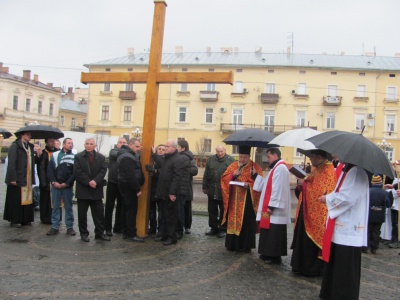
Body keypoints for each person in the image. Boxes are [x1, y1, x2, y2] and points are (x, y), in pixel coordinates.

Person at [318, 163, 369, 300]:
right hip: (341, 228)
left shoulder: (357, 172)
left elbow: (347, 198)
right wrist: (330, 197)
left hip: (348, 230)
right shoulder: (348, 170)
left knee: (344, 271)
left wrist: (327, 199)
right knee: (336, 268)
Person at [290, 150, 337, 275]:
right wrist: (303, 182)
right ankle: (299, 265)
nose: (310, 159)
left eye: (312, 156)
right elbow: (311, 183)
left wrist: (304, 183)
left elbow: (320, 191)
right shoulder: (319, 168)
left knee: (310, 242)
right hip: (306, 210)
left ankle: (310, 268)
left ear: (319, 157)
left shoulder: (327, 170)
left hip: (317, 213)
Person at [221, 146, 262, 253]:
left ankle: (245, 245)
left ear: (249, 156)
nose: (242, 159)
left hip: (247, 201)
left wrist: (248, 185)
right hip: (234, 200)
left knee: (246, 223)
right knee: (233, 221)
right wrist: (233, 175)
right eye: (240, 157)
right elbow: (224, 178)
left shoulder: (255, 167)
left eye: (244, 157)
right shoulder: (233, 165)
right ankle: (232, 244)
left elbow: (261, 184)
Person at [256, 148, 291, 264]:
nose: (267, 159)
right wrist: (254, 176)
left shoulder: (280, 168)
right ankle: (266, 252)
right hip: (270, 206)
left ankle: (274, 256)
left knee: (274, 232)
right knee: (267, 230)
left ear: (275, 155)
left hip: (274, 209)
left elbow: (278, 188)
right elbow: (267, 185)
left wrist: (272, 206)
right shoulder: (275, 168)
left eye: (269, 156)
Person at [74, 138, 109, 242]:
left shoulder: (101, 157)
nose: (89, 146)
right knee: (82, 214)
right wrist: (89, 182)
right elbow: (77, 172)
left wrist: (96, 181)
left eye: (91, 144)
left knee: (99, 214)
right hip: (83, 190)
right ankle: (84, 234)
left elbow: (103, 170)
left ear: (95, 146)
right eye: (87, 144)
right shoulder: (78, 157)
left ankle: (99, 233)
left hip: (96, 190)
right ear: (85, 145)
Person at [153, 139, 182, 246]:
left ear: (174, 148)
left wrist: (172, 193)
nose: (165, 148)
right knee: (164, 215)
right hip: (163, 192)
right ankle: (164, 234)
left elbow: (177, 178)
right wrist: (154, 154)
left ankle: (171, 237)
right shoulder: (167, 157)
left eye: (167, 146)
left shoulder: (177, 159)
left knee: (170, 216)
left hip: (170, 193)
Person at [4, 131, 35, 227]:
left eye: (30, 134)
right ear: (22, 135)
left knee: (27, 199)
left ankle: (25, 219)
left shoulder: (30, 146)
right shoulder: (15, 146)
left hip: (27, 178)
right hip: (17, 177)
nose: (30, 136)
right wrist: (13, 177)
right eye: (28, 134)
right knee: (16, 200)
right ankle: (15, 220)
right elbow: (12, 163)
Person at [46, 138, 76, 236]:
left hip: (67, 186)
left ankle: (69, 227)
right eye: (68, 143)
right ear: (63, 144)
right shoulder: (55, 155)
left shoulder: (74, 156)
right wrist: (54, 182)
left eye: (71, 143)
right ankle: (55, 226)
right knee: (55, 207)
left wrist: (67, 183)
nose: (70, 145)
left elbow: (75, 172)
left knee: (68, 207)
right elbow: (50, 170)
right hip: (56, 185)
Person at [203, 145, 235, 238]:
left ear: (225, 151)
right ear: (216, 151)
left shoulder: (230, 160)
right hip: (212, 189)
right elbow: (206, 173)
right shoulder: (211, 159)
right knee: (212, 210)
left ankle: (222, 229)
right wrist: (204, 187)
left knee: (223, 211)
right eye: (218, 151)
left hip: (224, 191)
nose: (220, 153)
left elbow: (233, 175)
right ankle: (213, 228)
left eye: (221, 151)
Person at [117, 138, 145, 242]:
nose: (138, 149)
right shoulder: (127, 157)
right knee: (131, 210)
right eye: (137, 146)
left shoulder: (126, 154)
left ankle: (126, 231)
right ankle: (131, 233)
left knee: (126, 208)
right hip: (128, 186)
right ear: (131, 145)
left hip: (125, 185)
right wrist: (137, 189)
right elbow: (130, 175)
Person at [104, 137, 127, 236]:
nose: (121, 144)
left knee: (121, 206)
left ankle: (118, 227)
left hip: (122, 183)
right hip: (113, 182)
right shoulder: (113, 151)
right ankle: (107, 228)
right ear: (117, 144)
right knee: (109, 206)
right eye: (120, 142)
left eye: (124, 142)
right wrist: (127, 151)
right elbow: (117, 154)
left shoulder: (125, 153)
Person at [363, 175, 391, 254]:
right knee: (376, 231)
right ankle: (374, 247)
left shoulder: (368, 191)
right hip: (380, 214)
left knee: (368, 230)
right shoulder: (385, 193)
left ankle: (365, 247)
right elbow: (388, 204)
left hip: (369, 213)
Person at [176, 139, 198, 237]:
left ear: (183, 148)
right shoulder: (177, 156)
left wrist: (184, 169)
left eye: (178, 147)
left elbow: (194, 170)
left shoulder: (190, 158)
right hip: (180, 187)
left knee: (187, 208)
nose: (177, 148)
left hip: (186, 187)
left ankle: (187, 226)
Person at [145, 144, 165, 236]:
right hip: (152, 189)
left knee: (161, 212)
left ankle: (160, 230)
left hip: (161, 190)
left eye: (163, 149)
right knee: (151, 211)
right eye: (159, 149)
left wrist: (155, 172)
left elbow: (163, 170)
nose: (161, 150)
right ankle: (152, 228)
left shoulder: (165, 159)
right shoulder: (152, 160)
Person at [37, 137, 58, 224]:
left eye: (53, 141)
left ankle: (55, 217)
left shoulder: (57, 152)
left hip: (56, 180)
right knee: (45, 201)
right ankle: (45, 218)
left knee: (55, 201)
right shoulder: (44, 153)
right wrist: (43, 182)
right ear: (46, 143)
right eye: (50, 141)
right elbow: (41, 168)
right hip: (46, 181)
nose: (52, 142)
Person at [33, 141, 41, 211]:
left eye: (37, 146)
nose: (35, 147)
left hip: (38, 176)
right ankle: (35, 203)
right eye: (34, 146)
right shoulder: (31, 154)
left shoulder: (41, 155)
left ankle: (38, 203)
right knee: (34, 191)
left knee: (38, 191)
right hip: (33, 176)